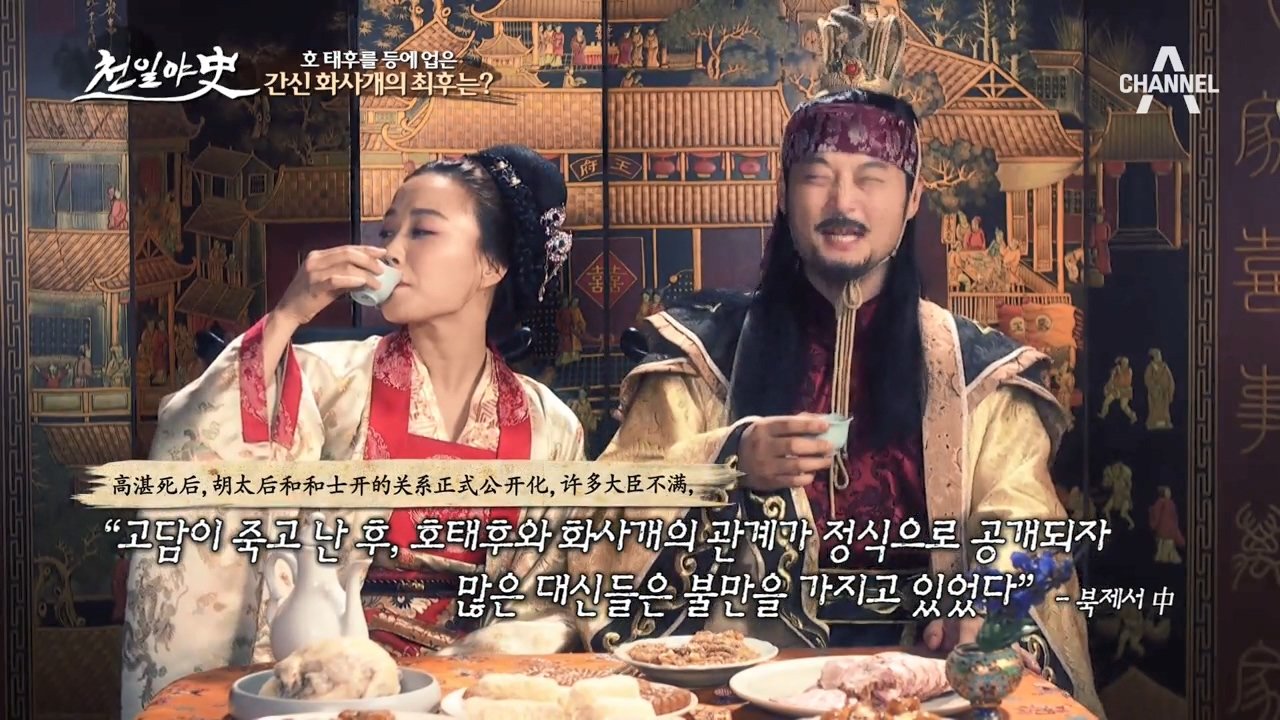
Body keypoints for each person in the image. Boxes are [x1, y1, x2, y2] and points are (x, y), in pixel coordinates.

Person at [573, 7, 1102, 716]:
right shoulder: (698, 354)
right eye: (817, 176)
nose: (842, 202)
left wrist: (987, 600)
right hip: (739, 677)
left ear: (912, 198)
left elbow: (1023, 516)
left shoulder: (980, 371)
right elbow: (608, 519)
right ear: (784, 193)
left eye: (872, 177)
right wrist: (728, 459)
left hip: (922, 680)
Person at [120, 145, 585, 718]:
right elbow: (205, 445)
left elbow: (542, 606)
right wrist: (289, 315)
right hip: (329, 689)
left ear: (493, 264)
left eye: (422, 231)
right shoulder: (326, 383)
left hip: (469, 695)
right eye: (387, 232)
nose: (391, 251)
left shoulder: (549, 426)